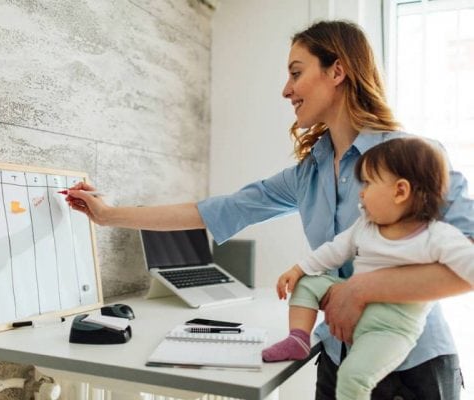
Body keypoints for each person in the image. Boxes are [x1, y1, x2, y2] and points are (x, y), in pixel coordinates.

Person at [65, 20, 474, 400]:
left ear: (337, 71)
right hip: (337, 358)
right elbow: (218, 210)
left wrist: (362, 289)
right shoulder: (308, 173)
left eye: (296, 73)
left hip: (414, 367)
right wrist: (108, 215)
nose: (286, 89)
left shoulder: (416, 159)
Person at [261, 137, 474, 399]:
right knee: (308, 282)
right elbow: (334, 250)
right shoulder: (365, 226)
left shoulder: (436, 236)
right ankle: (298, 339)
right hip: (353, 308)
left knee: (353, 376)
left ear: (400, 191)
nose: (361, 193)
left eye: (368, 183)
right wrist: (298, 269)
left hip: (391, 328)